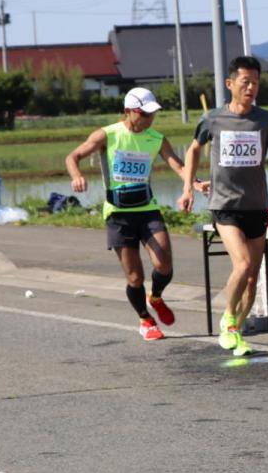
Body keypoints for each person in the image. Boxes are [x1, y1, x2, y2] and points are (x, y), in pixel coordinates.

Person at [178, 56, 268, 355]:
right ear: (230, 84)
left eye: (255, 82)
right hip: (225, 205)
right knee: (241, 265)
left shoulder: (266, 119)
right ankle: (228, 317)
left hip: (256, 206)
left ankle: (235, 331)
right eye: (245, 82)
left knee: (252, 278)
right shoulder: (213, 119)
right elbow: (193, 150)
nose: (251, 88)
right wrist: (188, 187)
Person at [66, 87, 192, 341]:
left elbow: (178, 165)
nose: (149, 119)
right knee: (135, 276)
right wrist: (77, 175)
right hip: (118, 214)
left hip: (147, 209)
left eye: (152, 114)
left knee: (164, 263)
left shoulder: (156, 138)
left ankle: (156, 296)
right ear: (128, 111)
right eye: (144, 114)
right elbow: (73, 156)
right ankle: (145, 319)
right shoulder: (108, 134)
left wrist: (193, 184)